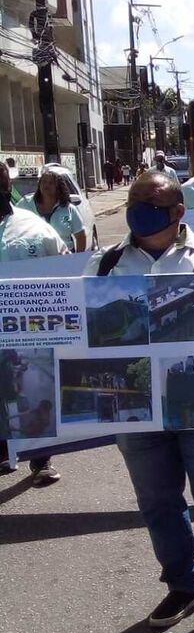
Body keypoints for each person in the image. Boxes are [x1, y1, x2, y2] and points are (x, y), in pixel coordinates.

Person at [84, 171, 194, 630]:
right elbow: (81, 336)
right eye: (134, 198)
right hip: (133, 406)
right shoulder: (104, 266)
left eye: (152, 200)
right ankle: (183, 585)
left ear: (178, 211)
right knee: (158, 501)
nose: (139, 206)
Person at [0, 163, 67, 484]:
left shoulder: (34, 229)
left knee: (28, 391)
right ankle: (5, 454)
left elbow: (67, 272)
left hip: (26, 333)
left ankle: (40, 460)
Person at [15, 168, 87, 251]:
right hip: (33, 257)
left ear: (58, 187)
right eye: (44, 182)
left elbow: (80, 236)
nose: (47, 185)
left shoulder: (68, 209)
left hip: (63, 258)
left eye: (51, 183)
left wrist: (77, 259)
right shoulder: (25, 204)